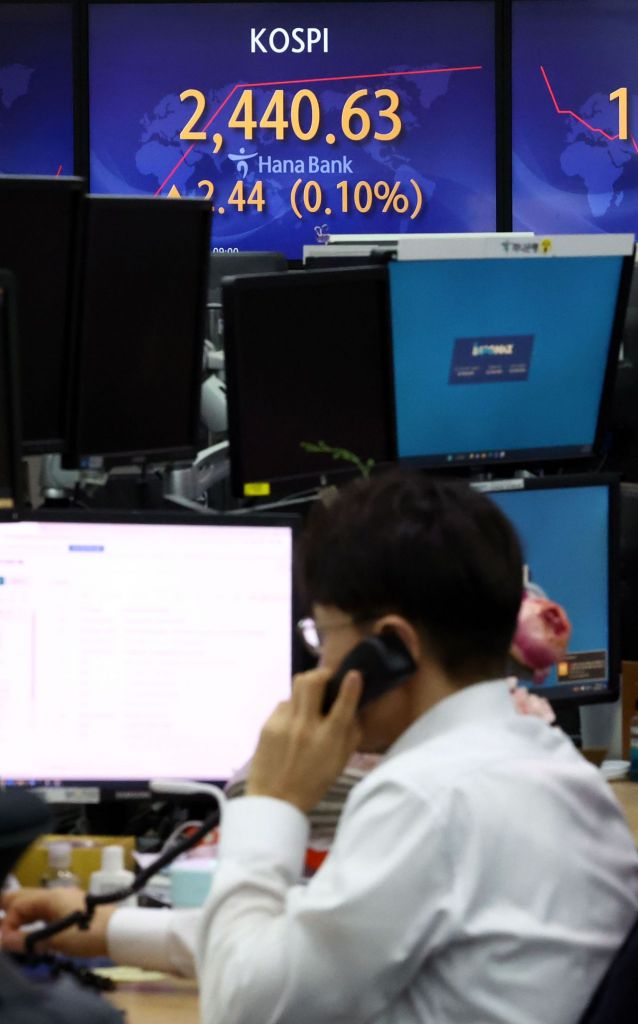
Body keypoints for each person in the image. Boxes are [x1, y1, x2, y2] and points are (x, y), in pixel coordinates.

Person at [194, 470, 638, 1024]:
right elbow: (326, 938)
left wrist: (272, 801)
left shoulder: (422, 799)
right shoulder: (559, 771)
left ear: (393, 647)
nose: (320, 664)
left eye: (324, 636)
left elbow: (242, 1006)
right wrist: (115, 930)